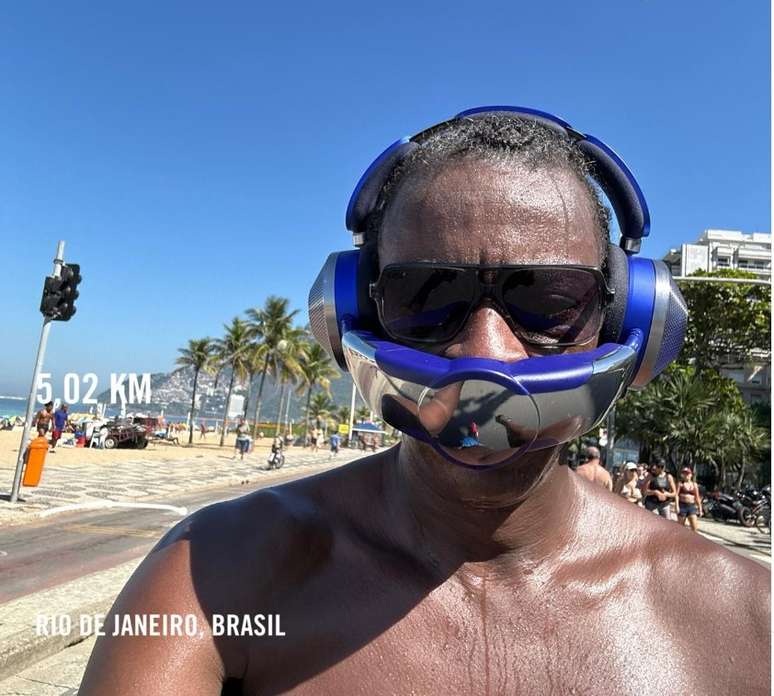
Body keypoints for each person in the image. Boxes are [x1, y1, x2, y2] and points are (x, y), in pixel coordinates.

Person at [81, 111, 768, 695]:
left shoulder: (745, 618)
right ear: (353, 311)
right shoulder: (215, 573)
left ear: (631, 322)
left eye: (551, 301)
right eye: (425, 295)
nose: (487, 356)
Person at [677, 466, 703, 532]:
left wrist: (700, 509)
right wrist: (676, 506)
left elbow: (697, 497)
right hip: (682, 506)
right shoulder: (680, 484)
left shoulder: (694, 485)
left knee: (694, 528)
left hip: (691, 506)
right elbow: (676, 495)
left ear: (691, 475)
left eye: (687, 474)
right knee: (680, 528)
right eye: (684, 474)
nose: (686, 475)